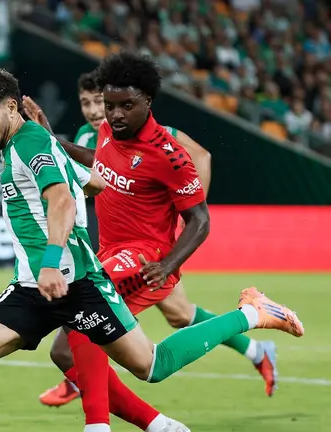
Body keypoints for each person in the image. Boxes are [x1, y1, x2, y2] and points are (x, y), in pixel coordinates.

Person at [0, 62, 303, 432]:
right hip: (34, 288)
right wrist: (63, 157)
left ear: (12, 108)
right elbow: (94, 181)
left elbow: (63, 201)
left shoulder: (32, 142)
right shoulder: (37, 142)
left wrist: (51, 261)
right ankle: (152, 426)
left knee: (152, 365)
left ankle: (252, 315)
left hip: (77, 282)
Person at [30, 69, 279, 424]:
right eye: (97, 103)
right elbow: (98, 163)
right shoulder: (102, 133)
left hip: (147, 255)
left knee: (89, 309)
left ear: (145, 102)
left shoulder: (167, 148)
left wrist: (172, 244)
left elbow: (201, 195)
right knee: (72, 353)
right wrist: (52, 141)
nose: (106, 112)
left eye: (114, 104)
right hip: (112, 252)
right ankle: (250, 330)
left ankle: (98, 421)